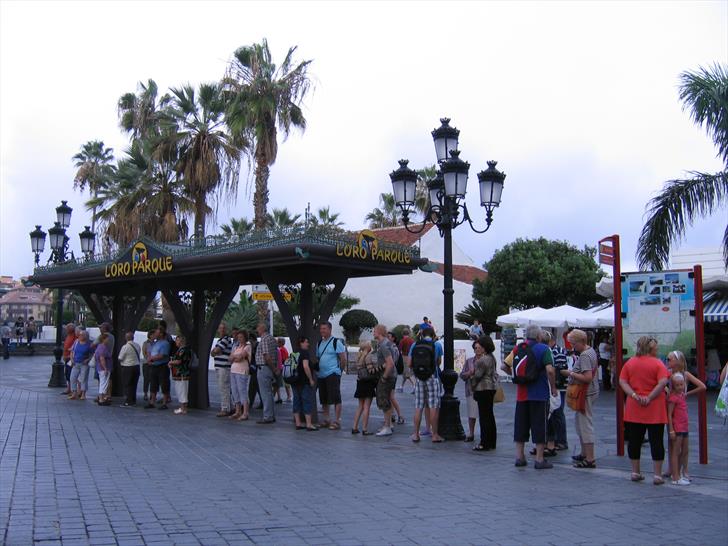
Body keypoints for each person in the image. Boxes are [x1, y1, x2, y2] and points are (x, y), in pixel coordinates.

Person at [501, 324, 557, 469]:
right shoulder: (544, 349)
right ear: (539, 336)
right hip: (539, 394)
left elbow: (504, 366)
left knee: (521, 425)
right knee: (540, 425)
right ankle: (539, 459)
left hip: (522, 394)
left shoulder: (518, 348)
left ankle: (519, 457)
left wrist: (517, 377)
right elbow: (550, 370)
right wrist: (554, 387)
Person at [619, 336, 671, 484]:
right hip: (655, 407)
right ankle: (657, 475)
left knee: (634, 440)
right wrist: (649, 397)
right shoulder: (658, 364)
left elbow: (622, 381)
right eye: (656, 347)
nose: (657, 349)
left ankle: (635, 471)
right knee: (657, 440)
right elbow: (662, 382)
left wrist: (634, 395)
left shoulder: (630, 363)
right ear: (651, 348)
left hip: (634, 407)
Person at [666, 351, 705, 483]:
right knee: (673, 444)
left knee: (683, 446)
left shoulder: (684, 374)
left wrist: (686, 394)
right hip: (674, 412)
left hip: (681, 413)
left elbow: (702, 386)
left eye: (670, 359)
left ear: (678, 361)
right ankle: (673, 471)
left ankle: (683, 471)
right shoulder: (668, 374)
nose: (668, 361)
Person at [563, 329, 599, 468]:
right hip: (590, 392)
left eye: (573, 343)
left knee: (585, 425)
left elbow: (587, 377)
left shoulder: (584, 355)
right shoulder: (591, 351)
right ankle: (585, 453)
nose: (572, 347)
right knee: (581, 423)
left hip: (585, 393)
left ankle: (590, 458)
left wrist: (570, 373)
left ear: (581, 342)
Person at [407, 327, 444, 443]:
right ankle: (435, 435)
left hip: (419, 378)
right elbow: (438, 362)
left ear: (422, 335)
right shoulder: (437, 345)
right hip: (432, 377)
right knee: (433, 406)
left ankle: (416, 434)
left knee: (419, 406)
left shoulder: (415, 345)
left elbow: (409, 363)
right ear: (433, 335)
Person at [316, 321, 346, 430]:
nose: (322, 331)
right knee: (324, 398)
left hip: (333, 373)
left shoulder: (336, 342)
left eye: (324, 329)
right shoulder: (319, 343)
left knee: (336, 398)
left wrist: (339, 371)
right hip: (321, 375)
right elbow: (318, 357)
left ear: (329, 329)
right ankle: (326, 419)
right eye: (321, 329)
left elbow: (343, 359)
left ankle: (337, 421)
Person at [470, 336, 499, 451]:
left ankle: (484, 442)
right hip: (491, 387)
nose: (478, 348)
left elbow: (477, 376)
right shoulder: (492, 358)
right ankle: (492, 441)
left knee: (484, 416)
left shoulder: (482, 360)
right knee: (490, 415)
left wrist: (472, 384)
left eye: (480, 346)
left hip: (483, 388)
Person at [545, 331, 569, 452]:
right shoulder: (551, 350)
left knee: (558, 412)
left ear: (551, 341)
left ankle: (561, 441)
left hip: (558, 387)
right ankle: (552, 440)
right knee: (552, 413)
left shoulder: (557, 351)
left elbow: (558, 370)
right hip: (554, 386)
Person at [372, 324, 398, 437]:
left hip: (387, 376)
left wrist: (384, 377)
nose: (373, 333)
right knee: (387, 399)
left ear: (379, 332)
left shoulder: (383, 345)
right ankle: (388, 425)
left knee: (384, 400)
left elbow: (390, 363)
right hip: (392, 375)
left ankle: (387, 426)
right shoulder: (388, 343)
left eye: (374, 331)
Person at [292, 336, 318, 431]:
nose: (308, 344)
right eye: (306, 342)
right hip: (304, 381)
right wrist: (310, 379)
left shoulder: (294, 353)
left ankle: (298, 423)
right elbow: (305, 366)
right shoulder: (304, 353)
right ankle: (309, 424)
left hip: (294, 381)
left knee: (296, 401)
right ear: (301, 343)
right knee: (306, 401)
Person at [255, 322, 279, 424]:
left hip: (264, 368)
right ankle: (271, 415)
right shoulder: (272, 339)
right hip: (269, 369)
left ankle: (267, 416)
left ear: (262, 328)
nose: (257, 330)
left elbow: (266, 356)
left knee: (265, 393)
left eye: (258, 328)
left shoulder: (264, 339)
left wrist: (274, 369)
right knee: (269, 393)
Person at [352, 341, 377, 435]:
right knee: (367, 407)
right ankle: (365, 429)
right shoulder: (368, 356)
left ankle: (354, 427)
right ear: (368, 347)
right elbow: (371, 371)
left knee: (360, 407)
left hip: (360, 383)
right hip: (368, 383)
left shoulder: (358, 357)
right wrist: (380, 368)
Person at [211, 323, 234, 417]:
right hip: (220, 367)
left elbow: (215, 351)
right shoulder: (220, 340)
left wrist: (216, 351)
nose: (222, 330)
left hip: (224, 367)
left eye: (224, 328)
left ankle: (225, 409)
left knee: (224, 388)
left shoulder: (226, 339)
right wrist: (216, 351)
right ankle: (230, 407)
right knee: (224, 388)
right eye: (221, 328)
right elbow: (212, 353)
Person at [146, 328, 171, 410]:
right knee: (153, 384)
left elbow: (162, 355)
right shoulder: (155, 342)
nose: (155, 334)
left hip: (162, 366)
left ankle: (164, 402)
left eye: (156, 332)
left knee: (164, 384)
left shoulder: (165, 343)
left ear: (161, 334)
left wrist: (152, 358)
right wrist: (149, 358)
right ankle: (152, 401)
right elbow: (149, 351)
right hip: (154, 366)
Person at [229, 330, 251, 421]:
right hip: (233, 371)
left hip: (242, 371)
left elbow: (239, 358)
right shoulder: (236, 346)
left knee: (242, 391)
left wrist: (234, 357)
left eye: (241, 337)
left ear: (245, 337)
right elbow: (230, 358)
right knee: (235, 391)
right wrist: (234, 358)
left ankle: (245, 412)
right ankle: (238, 411)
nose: (239, 339)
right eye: (238, 337)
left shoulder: (247, 346)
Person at [459, 349, 479, 443]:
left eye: (479, 347)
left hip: (483, 389)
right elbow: (462, 375)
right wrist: (469, 373)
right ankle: (471, 433)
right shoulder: (470, 361)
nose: (477, 350)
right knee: (472, 413)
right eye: (475, 348)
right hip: (471, 389)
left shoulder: (487, 360)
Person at [168, 334, 191, 415]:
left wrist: (171, 362)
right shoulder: (180, 350)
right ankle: (182, 407)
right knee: (180, 390)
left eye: (177, 340)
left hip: (182, 374)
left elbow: (179, 361)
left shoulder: (183, 350)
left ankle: (183, 408)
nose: (176, 342)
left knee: (182, 391)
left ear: (181, 341)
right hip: (178, 375)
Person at [118, 331, 142, 407]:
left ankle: (128, 401)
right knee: (134, 384)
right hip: (137, 366)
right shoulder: (137, 346)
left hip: (127, 367)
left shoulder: (125, 347)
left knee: (127, 384)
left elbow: (120, 358)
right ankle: (133, 400)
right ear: (133, 338)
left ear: (126, 338)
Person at [68, 330, 93, 400]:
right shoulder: (76, 342)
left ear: (86, 336)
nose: (80, 336)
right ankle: (74, 393)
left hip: (84, 364)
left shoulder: (89, 344)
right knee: (72, 378)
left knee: (83, 379)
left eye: (82, 335)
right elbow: (72, 351)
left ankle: (83, 394)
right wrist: (72, 359)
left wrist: (88, 359)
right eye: (80, 335)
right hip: (75, 363)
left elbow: (92, 354)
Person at [387, 331, 405, 426]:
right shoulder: (393, 348)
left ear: (393, 338)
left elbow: (392, 362)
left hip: (391, 374)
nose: (387, 337)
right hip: (393, 374)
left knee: (391, 397)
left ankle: (400, 415)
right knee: (390, 396)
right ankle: (393, 415)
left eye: (389, 336)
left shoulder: (393, 348)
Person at [94, 333, 113, 406]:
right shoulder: (103, 347)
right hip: (104, 368)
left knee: (103, 382)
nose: (108, 340)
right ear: (103, 339)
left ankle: (102, 397)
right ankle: (101, 398)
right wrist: (105, 368)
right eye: (107, 339)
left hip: (101, 368)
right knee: (104, 383)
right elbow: (102, 358)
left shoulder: (99, 347)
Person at [398, 328, 416, 393]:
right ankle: (401, 386)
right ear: (408, 333)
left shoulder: (402, 341)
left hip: (405, 357)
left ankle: (414, 386)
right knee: (406, 373)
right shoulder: (412, 341)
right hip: (412, 357)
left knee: (407, 373)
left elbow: (399, 350)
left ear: (403, 334)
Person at [61, 323, 77, 395]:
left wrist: (69, 356)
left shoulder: (75, 336)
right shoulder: (68, 335)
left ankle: (73, 389)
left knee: (71, 373)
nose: (66, 329)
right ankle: (69, 388)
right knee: (67, 373)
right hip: (66, 357)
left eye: (68, 328)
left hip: (71, 358)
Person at [276, 338, 292, 403]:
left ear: (280, 343)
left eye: (277, 342)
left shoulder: (281, 349)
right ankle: (288, 396)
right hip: (286, 367)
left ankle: (288, 396)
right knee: (286, 383)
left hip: (283, 367)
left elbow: (281, 359)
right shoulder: (284, 349)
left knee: (284, 383)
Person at [141, 330, 154, 401]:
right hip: (146, 363)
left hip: (154, 363)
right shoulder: (145, 343)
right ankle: (145, 393)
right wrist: (148, 360)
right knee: (146, 379)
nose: (155, 336)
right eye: (153, 334)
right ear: (150, 335)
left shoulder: (155, 343)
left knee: (153, 379)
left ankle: (152, 394)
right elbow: (144, 352)